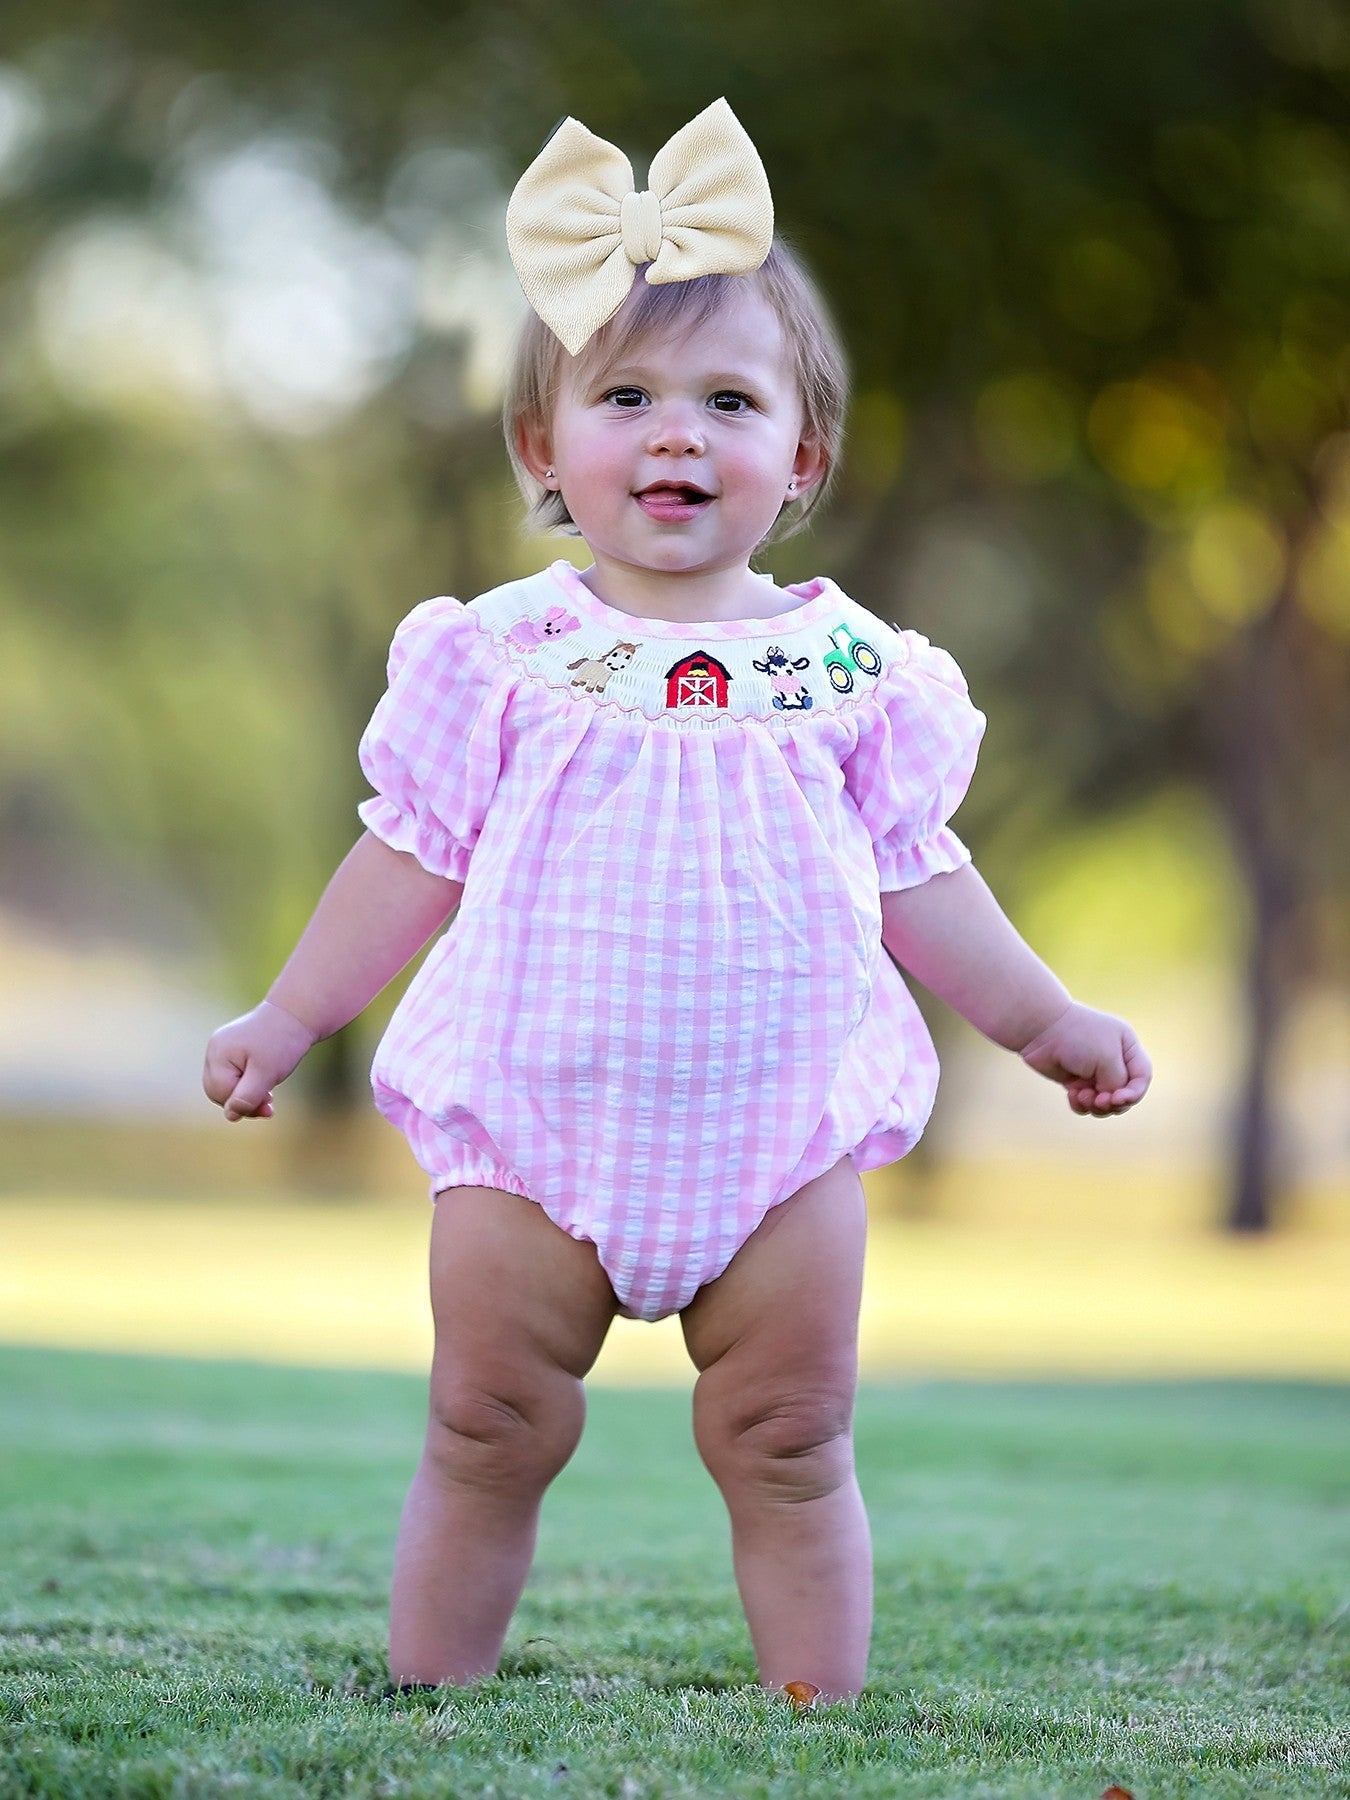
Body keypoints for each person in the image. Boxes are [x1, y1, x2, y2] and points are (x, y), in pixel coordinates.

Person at [202, 99, 1152, 1704]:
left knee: (788, 1438)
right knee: (485, 1423)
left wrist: (1042, 1017)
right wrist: (294, 1015)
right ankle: (435, 1691)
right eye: (623, 397)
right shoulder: (496, 653)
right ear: (541, 449)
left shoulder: (854, 673)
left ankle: (814, 1711)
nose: (673, 434)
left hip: (774, 1140)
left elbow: (921, 874)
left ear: (800, 458)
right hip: (535, 1122)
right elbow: (409, 852)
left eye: (727, 400)